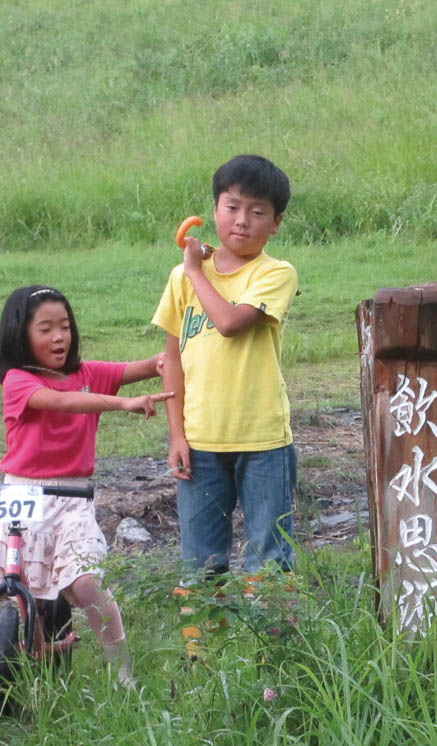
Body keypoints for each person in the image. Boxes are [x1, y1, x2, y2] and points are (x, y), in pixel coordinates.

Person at [0, 285, 172, 719]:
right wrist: (122, 403)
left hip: (70, 497)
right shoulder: (18, 381)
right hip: (20, 493)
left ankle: (124, 678)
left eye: (64, 326)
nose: (59, 337)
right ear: (20, 335)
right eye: (45, 329)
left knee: (86, 583)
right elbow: (61, 402)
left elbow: (151, 365)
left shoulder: (89, 374)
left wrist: (168, 358)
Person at [152, 154, 298, 578]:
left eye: (258, 212)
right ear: (214, 209)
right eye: (232, 207)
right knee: (200, 565)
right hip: (200, 439)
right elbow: (172, 359)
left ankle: (269, 626)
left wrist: (195, 272)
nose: (242, 221)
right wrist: (177, 435)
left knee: (268, 563)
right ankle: (203, 628)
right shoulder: (181, 278)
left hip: (263, 439)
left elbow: (231, 324)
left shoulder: (276, 273)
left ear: (276, 223)